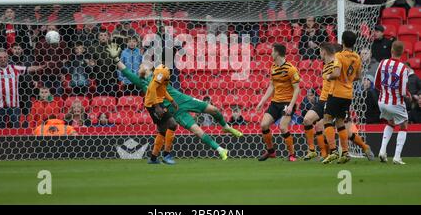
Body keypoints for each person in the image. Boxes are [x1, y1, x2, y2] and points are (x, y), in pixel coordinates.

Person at [109, 46, 243, 163]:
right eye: (139, 66)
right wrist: (116, 58)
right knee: (197, 131)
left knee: (213, 109)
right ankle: (220, 150)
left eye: (141, 65)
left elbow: (165, 63)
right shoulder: (141, 83)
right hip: (175, 111)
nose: (139, 68)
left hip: (183, 99)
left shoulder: (159, 71)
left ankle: (225, 126)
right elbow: (125, 70)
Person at [303, 43, 374, 161]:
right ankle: (316, 152)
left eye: (320, 52)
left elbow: (341, 77)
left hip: (333, 98)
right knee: (308, 120)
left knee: (344, 130)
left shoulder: (336, 65)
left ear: (325, 52)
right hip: (323, 100)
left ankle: (363, 147)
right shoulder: (327, 64)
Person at [0, 50, 43, 128]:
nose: (3, 59)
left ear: (8, 58)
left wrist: (40, 67)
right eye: (0, 58)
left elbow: (29, 68)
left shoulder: (15, 68)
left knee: (16, 130)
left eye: (5, 57)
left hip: (14, 106)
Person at [322, 31, 362, 164]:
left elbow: (336, 73)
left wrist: (328, 76)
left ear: (343, 42)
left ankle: (333, 151)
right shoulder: (357, 57)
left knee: (327, 119)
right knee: (340, 122)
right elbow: (358, 76)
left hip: (336, 93)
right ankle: (345, 152)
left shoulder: (339, 55)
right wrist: (348, 79)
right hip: (348, 94)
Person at [256, 44, 301, 162]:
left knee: (283, 127)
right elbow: (271, 86)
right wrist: (262, 101)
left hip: (287, 102)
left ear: (277, 53)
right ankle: (271, 152)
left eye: (272, 52)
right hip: (275, 102)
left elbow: (297, 89)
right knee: (264, 125)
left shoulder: (291, 69)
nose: (270, 54)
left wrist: (291, 106)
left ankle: (292, 154)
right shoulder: (273, 67)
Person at [375, 41, 411, 165]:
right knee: (404, 124)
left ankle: (382, 151)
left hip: (382, 101)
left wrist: (386, 92)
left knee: (390, 123)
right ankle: (397, 156)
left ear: (391, 50)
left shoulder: (382, 63)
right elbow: (402, 91)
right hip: (395, 103)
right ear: (402, 52)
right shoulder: (403, 68)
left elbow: (376, 84)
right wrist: (408, 95)